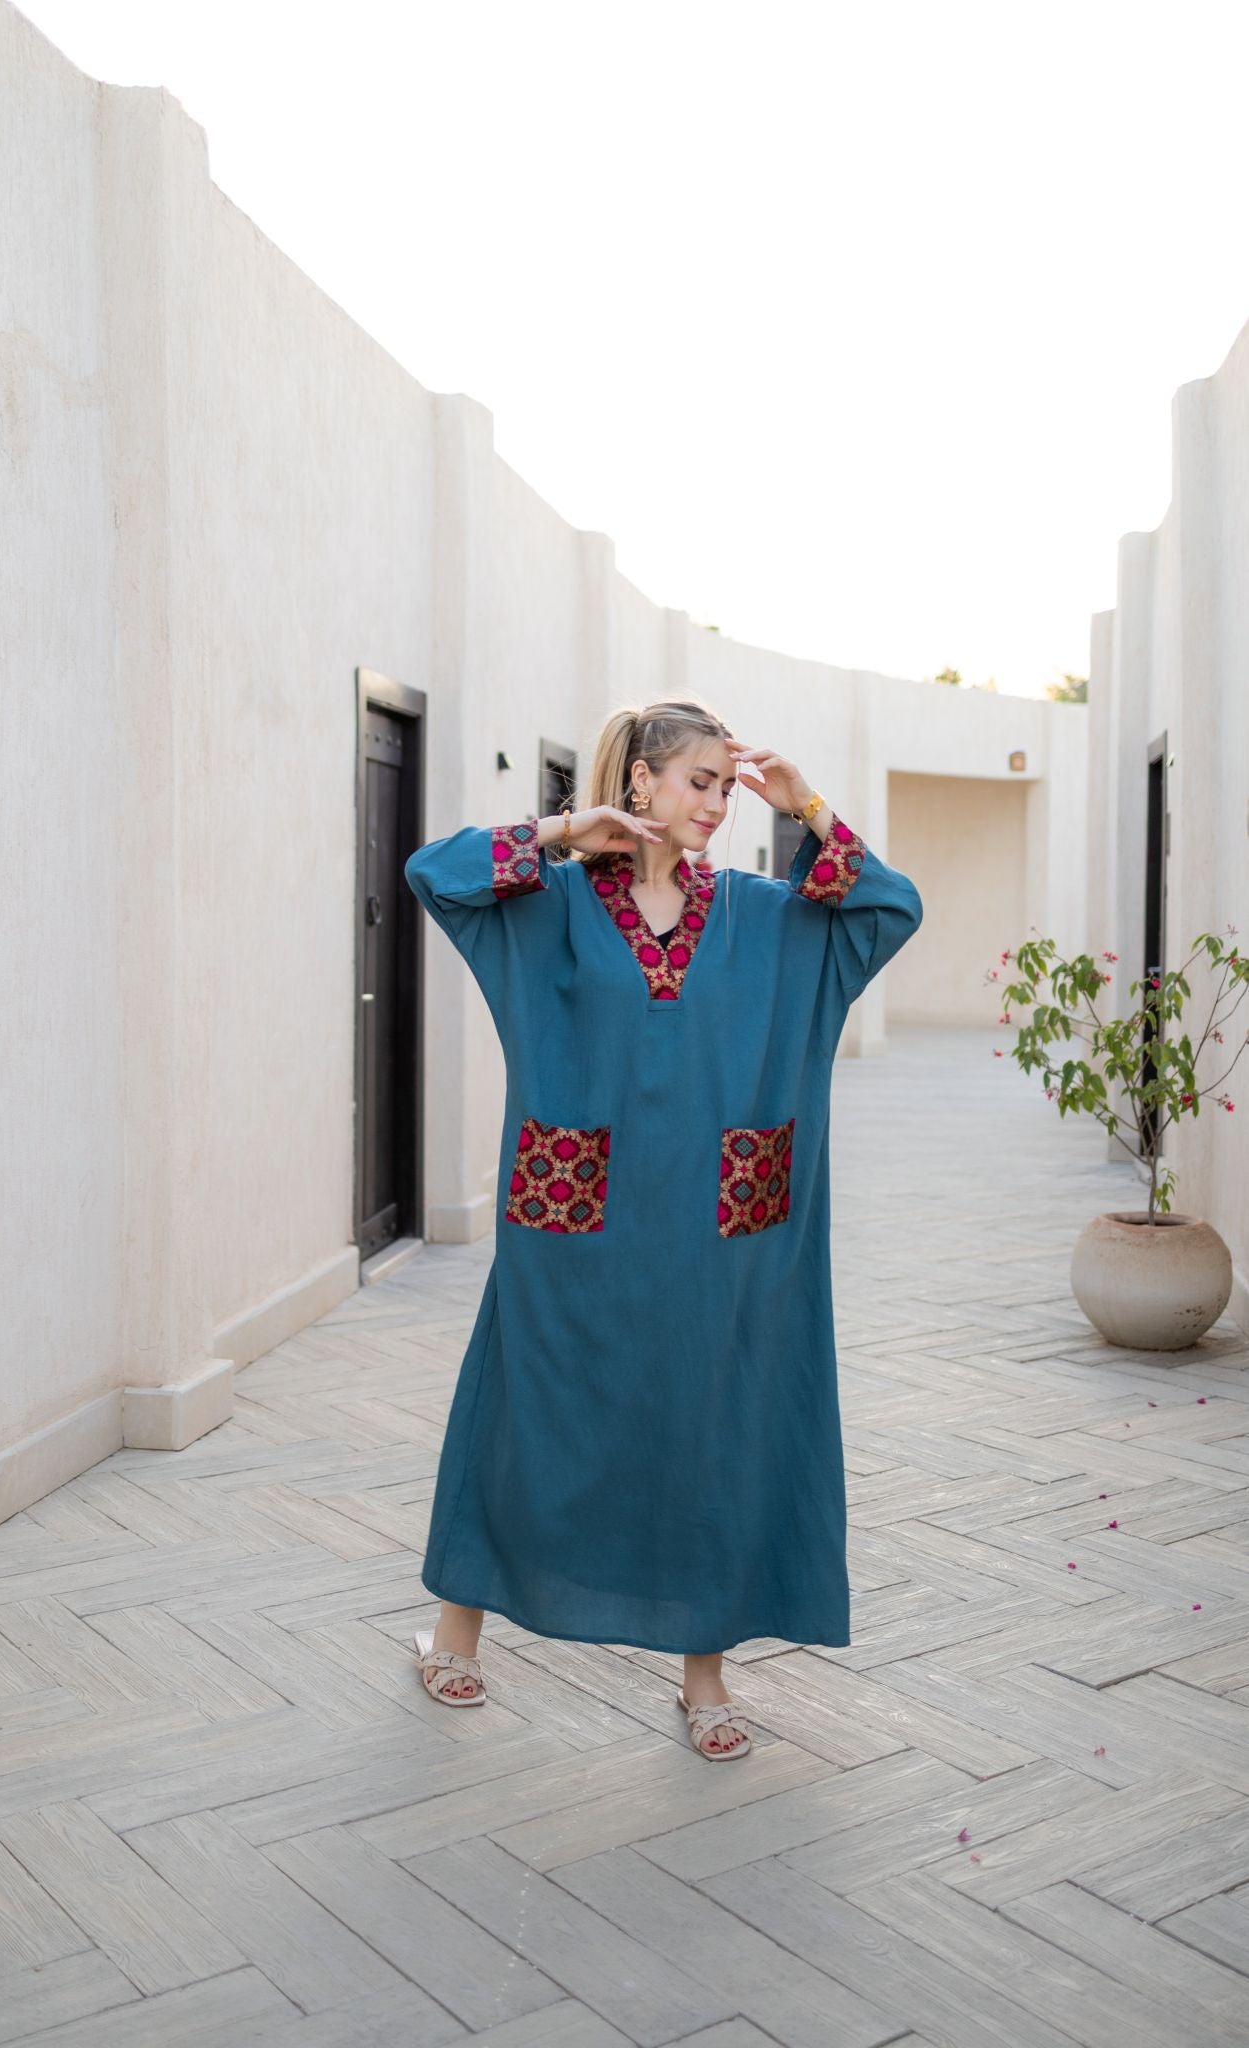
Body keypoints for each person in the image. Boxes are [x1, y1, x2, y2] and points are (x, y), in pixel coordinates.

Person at [403, 698, 924, 1757]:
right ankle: (455, 1628)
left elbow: (889, 907)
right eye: (703, 782)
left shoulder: (763, 912)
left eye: (730, 787)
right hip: (571, 1222)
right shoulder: (546, 901)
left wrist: (807, 804)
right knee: (524, 1410)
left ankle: (704, 1673)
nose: (721, 806)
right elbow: (431, 871)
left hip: (720, 1229)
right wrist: (560, 830)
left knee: (711, 1421)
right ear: (641, 782)